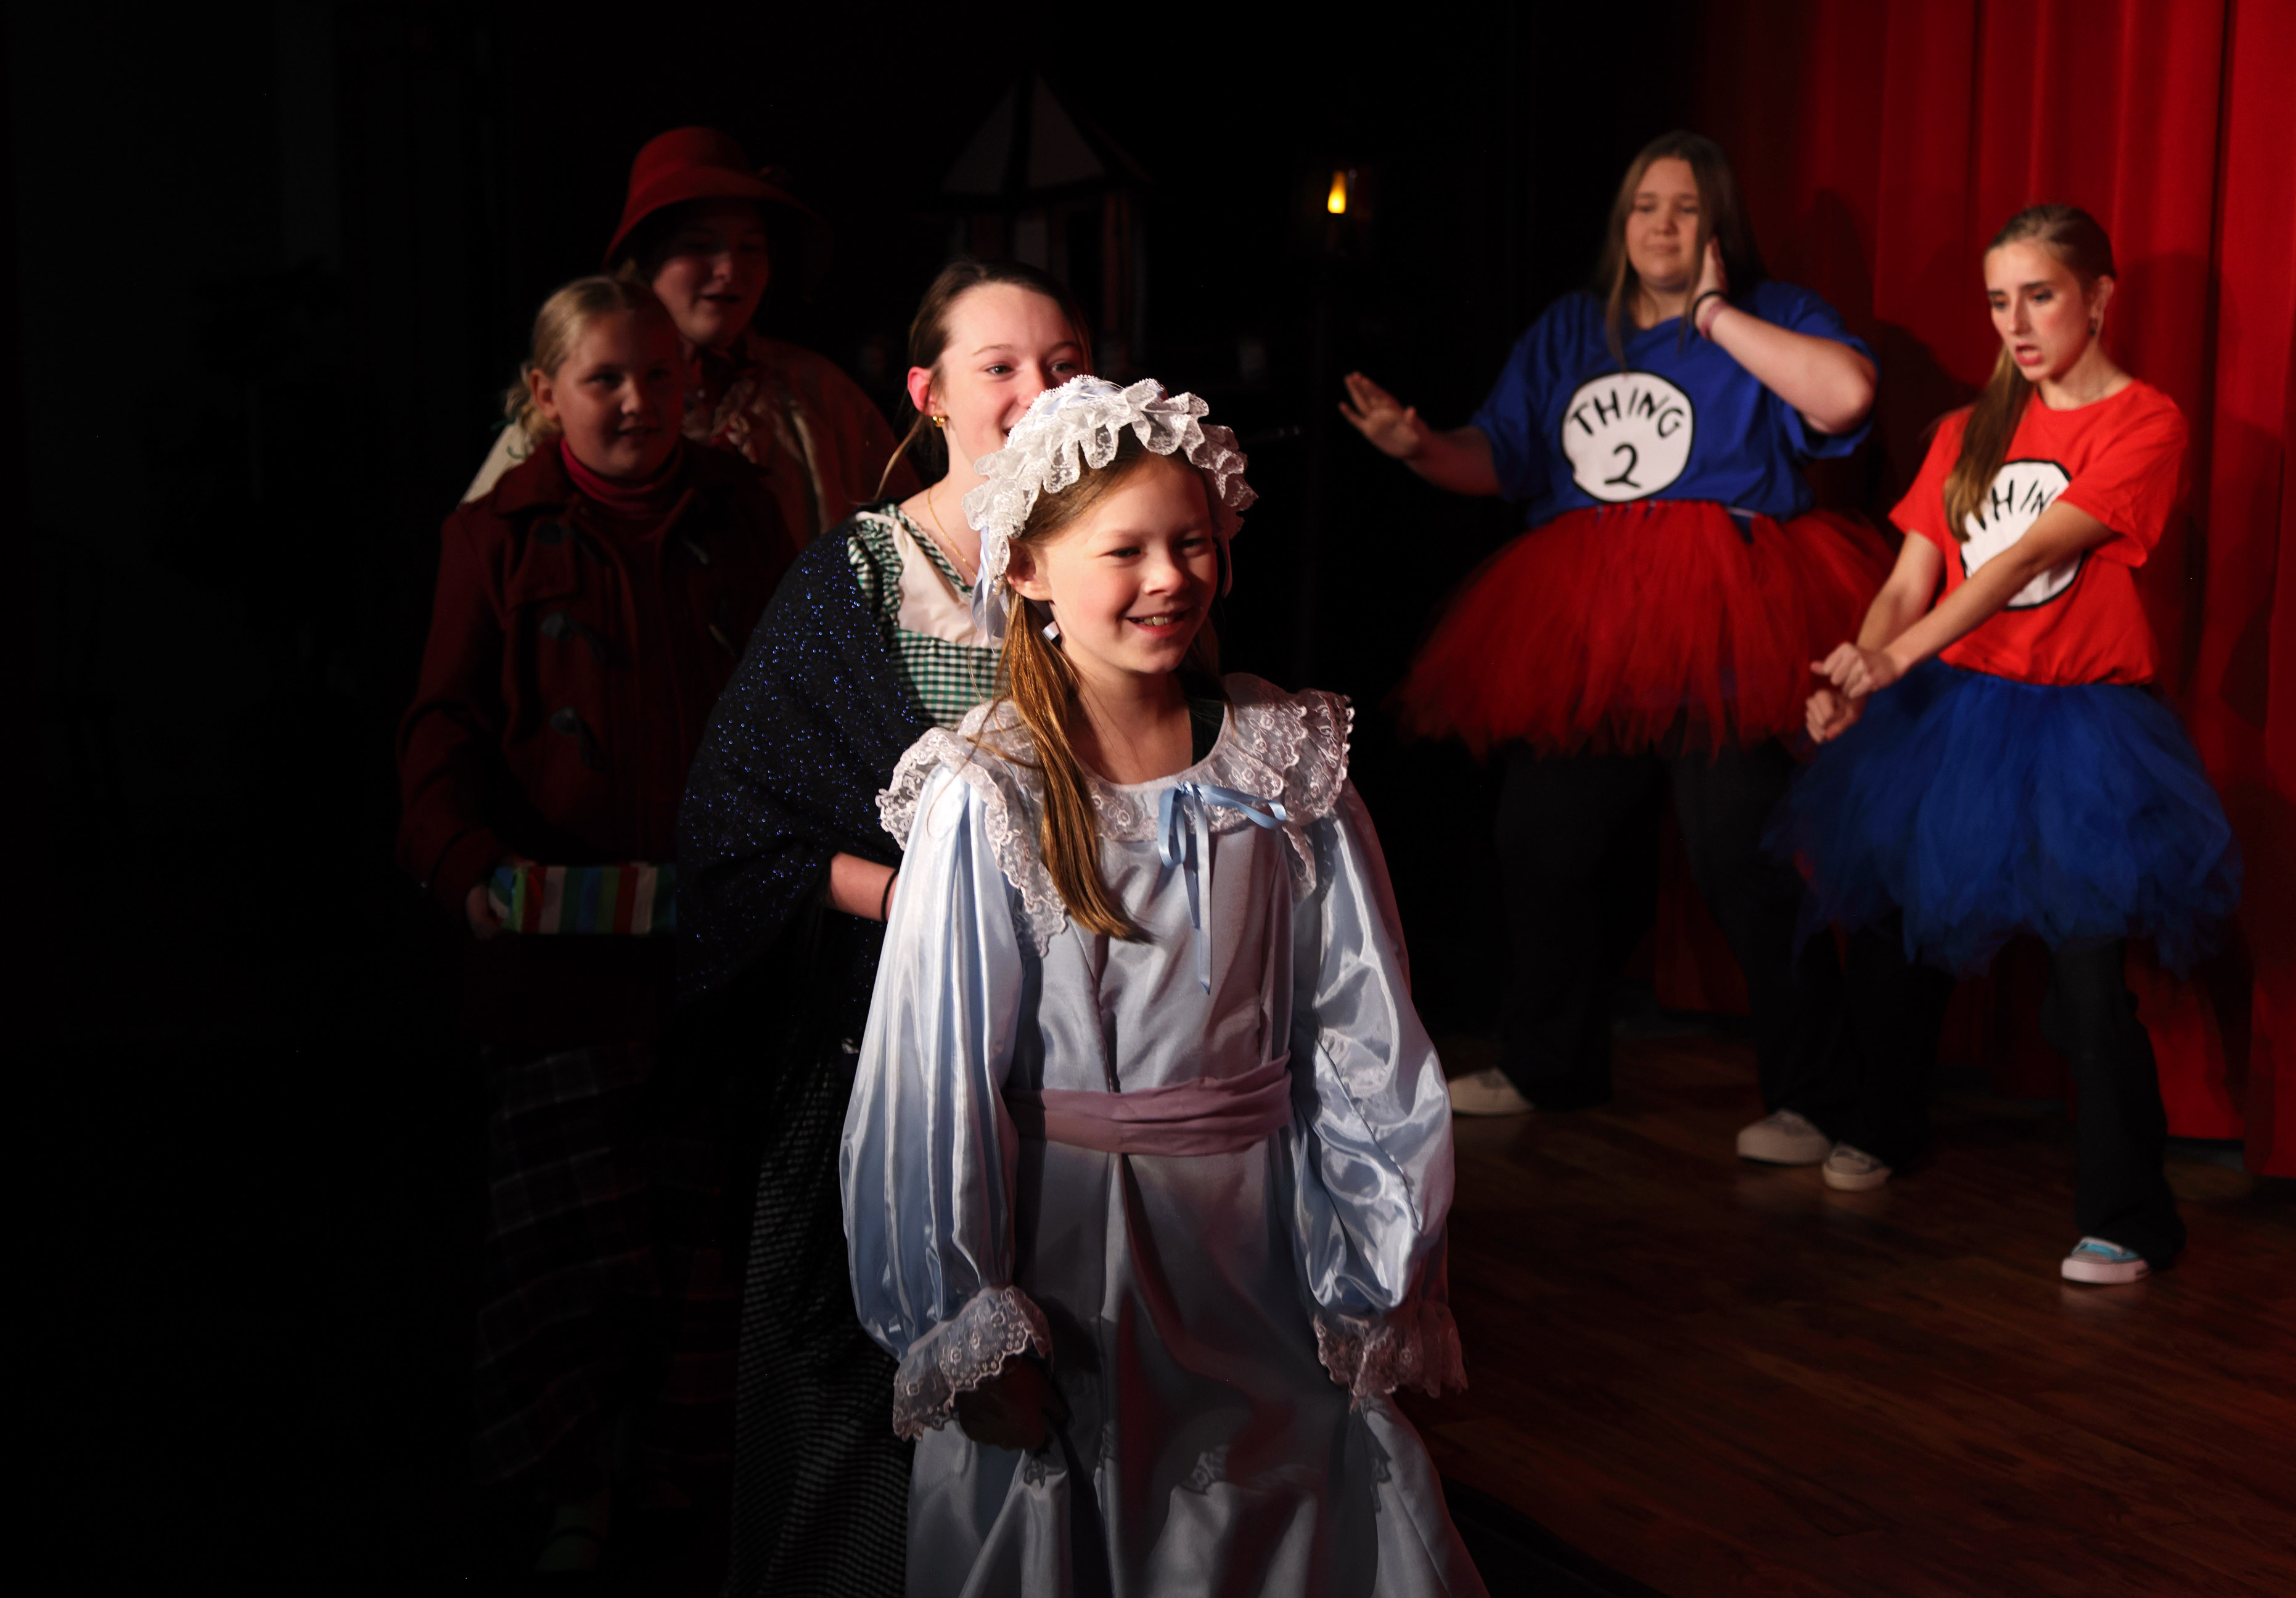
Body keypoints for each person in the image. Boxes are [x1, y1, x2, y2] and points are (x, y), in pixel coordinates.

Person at [843, 375, 1483, 1596]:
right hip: (1078, 1252)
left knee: (1282, 1508)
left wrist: (1374, 1256)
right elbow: (931, 1080)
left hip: (1256, 1251)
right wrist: (963, 1320)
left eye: (1190, 542)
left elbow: (1357, 1028)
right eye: (1124, 550)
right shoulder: (991, 792)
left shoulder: (1278, 764)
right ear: (1027, 568)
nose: (1169, 577)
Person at [1339, 128, 1890, 1163]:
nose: (1661, 225)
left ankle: (1815, 1095)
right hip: (1591, 623)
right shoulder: (1570, 330)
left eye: (1685, 206)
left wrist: (1715, 317)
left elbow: (1847, 396)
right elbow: (1500, 458)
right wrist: (1422, 449)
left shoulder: (1772, 313)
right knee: (1540, 838)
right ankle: (1551, 1060)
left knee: (1738, 849)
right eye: (1645, 205)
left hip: (1725, 614)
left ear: (1718, 224)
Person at [674, 258, 1091, 1596]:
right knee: (870, 1409)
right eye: (1000, 366)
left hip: (1072, 1050)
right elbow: (735, 826)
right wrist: (920, 898)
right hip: (889, 1043)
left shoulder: (1113, 558)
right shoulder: (856, 574)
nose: (1037, 390)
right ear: (929, 392)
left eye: (1064, 364)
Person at [396, 276, 794, 1573]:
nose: (635, 401)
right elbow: (446, 724)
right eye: (603, 379)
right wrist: (462, 863)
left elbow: (792, 694)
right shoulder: (495, 535)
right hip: (558, 962)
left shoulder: (741, 510)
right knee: (576, 1240)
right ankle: (576, 1486)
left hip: (715, 950)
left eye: (658, 376)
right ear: (544, 395)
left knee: (705, 1225)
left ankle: (684, 1479)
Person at [1769, 205, 2241, 1282]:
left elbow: (2024, 559)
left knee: (2087, 981)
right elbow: (1909, 580)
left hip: (2081, 723)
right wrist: (1860, 667)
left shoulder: (2145, 423)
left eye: (2040, 296)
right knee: (1897, 927)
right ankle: (1886, 1120)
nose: (2016, 324)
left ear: (2099, 298)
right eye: (1998, 301)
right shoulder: (1964, 431)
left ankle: (2131, 1215)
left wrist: (1894, 661)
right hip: (1958, 713)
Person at [464, 126, 909, 545]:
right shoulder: (578, 396)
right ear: (647, 258)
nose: (730, 269)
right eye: (698, 245)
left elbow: (906, 543)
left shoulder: (818, 393)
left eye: (750, 248)